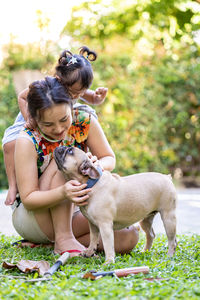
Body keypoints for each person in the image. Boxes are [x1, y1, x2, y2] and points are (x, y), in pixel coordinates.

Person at [12, 76, 139, 256]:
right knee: (64, 160)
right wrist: (63, 192)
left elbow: (108, 157)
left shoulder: (83, 121)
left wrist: (97, 164)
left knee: (129, 236)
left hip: (76, 208)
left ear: (72, 106)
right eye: (48, 124)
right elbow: (29, 199)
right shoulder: (27, 140)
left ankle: (53, 244)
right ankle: (63, 239)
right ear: (33, 117)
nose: (58, 129)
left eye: (64, 119)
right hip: (36, 216)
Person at [2, 46, 108, 206]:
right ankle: (12, 185)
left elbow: (91, 98)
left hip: (60, 116)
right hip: (33, 118)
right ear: (60, 81)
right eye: (74, 93)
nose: (77, 96)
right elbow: (22, 97)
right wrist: (28, 118)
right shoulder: (46, 85)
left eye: (81, 93)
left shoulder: (76, 88)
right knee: (10, 144)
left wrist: (98, 98)